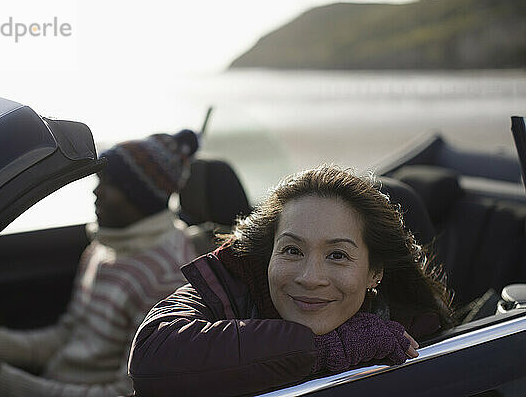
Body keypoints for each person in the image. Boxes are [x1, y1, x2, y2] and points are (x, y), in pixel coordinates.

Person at [128, 164, 454, 397]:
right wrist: (329, 348)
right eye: (292, 250)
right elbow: (151, 358)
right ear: (268, 254)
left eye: (337, 255)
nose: (310, 278)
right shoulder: (224, 287)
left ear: (375, 271)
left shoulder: (414, 336)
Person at [0, 129, 201, 396]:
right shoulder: (103, 248)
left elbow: (129, 392)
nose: (97, 191)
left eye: (110, 184)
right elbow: (67, 338)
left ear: (140, 198)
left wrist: (6, 385)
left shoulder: (166, 279)